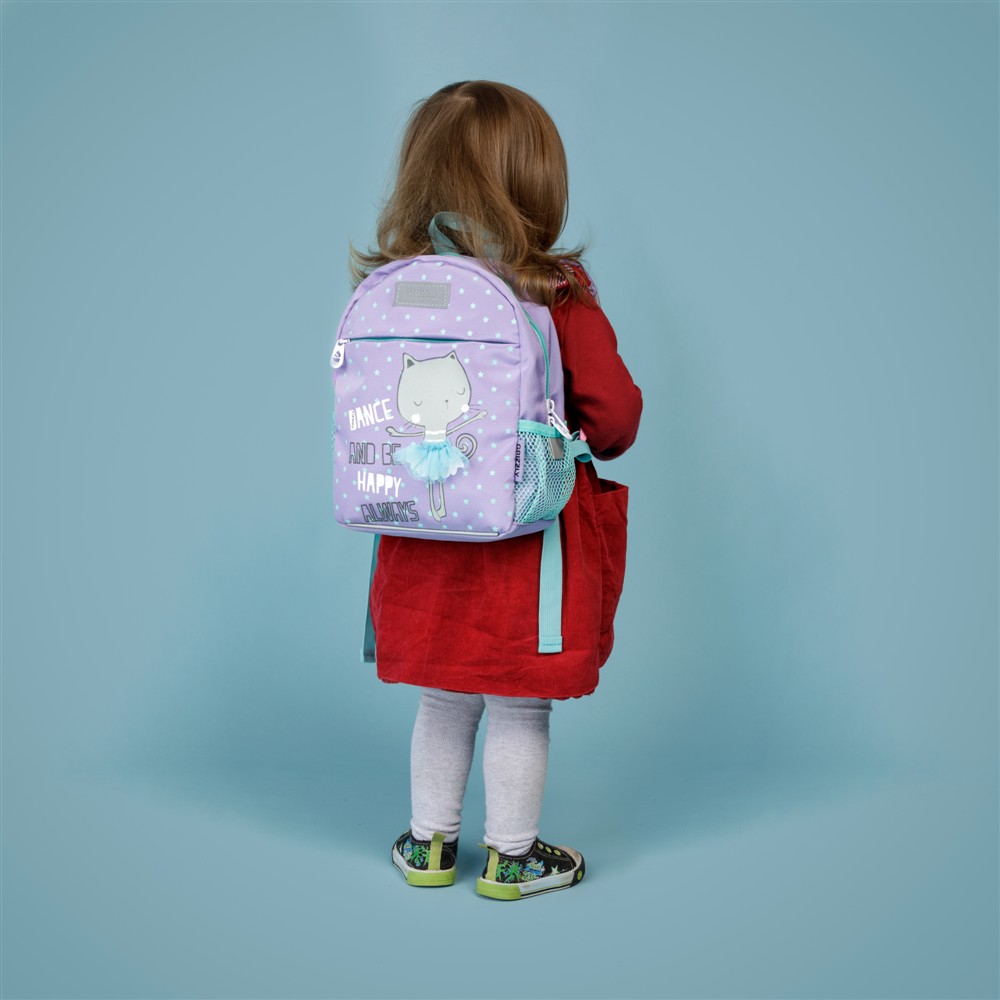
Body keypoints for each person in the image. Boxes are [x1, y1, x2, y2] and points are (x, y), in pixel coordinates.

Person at [349, 81, 643, 900]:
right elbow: (614, 417)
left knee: (444, 697)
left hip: (423, 531)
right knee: (518, 702)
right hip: (526, 534)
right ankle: (512, 857)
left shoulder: (398, 287)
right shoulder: (556, 291)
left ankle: (428, 847)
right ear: (537, 182)